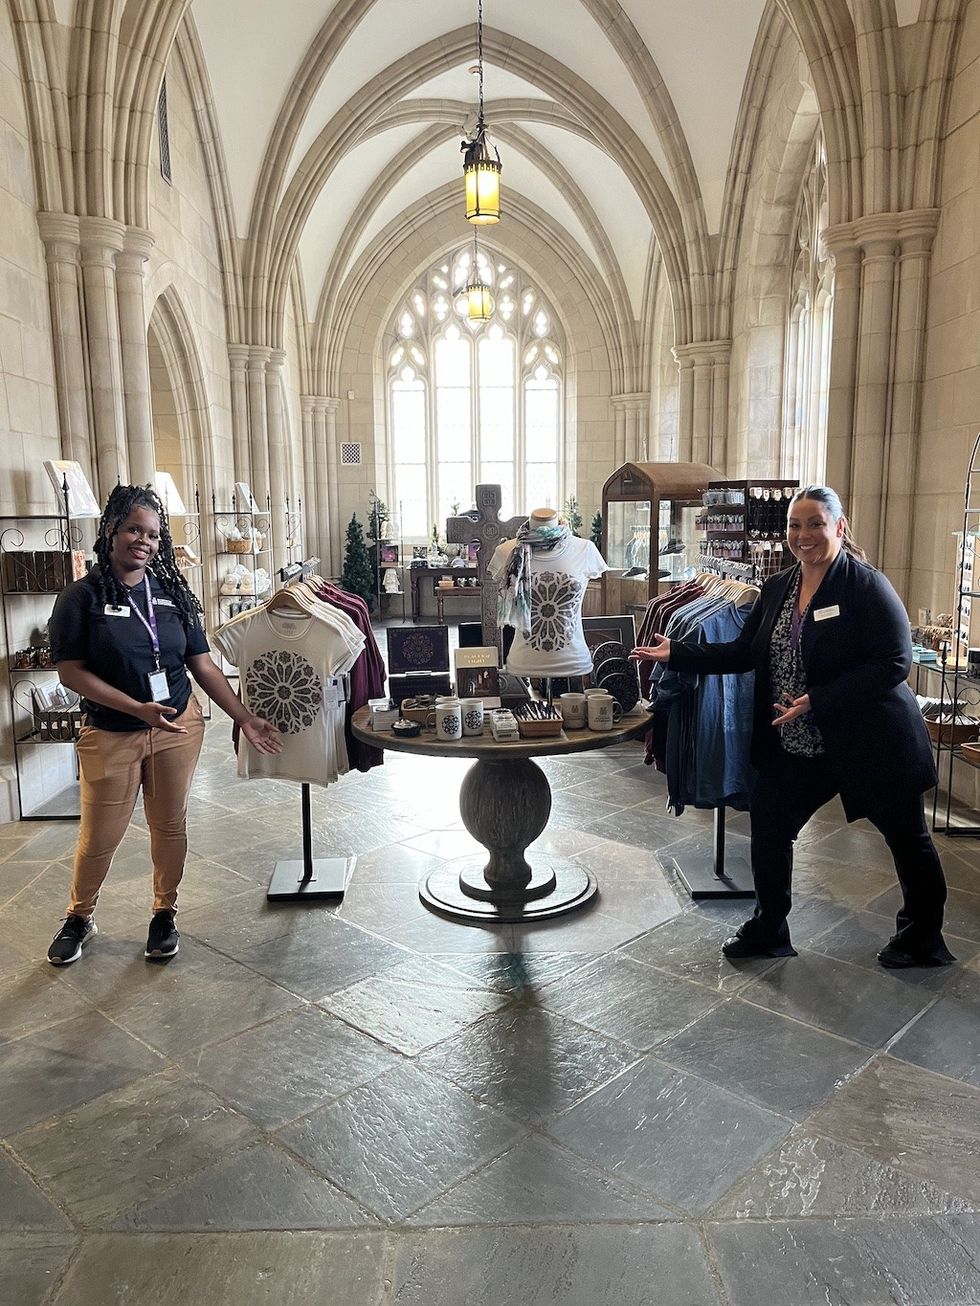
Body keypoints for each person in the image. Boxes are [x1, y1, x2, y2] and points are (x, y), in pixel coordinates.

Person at [632, 485, 954, 969]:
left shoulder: (866, 586)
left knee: (908, 839)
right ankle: (769, 928)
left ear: (839, 528)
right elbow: (743, 652)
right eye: (794, 525)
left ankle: (922, 939)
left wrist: (817, 700)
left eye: (815, 524)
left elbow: (894, 663)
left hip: (871, 741)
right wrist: (677, 652)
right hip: (798, 742)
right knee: (770, 827)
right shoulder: (779, 587)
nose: (803, 536)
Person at [46, 484, 281, 966]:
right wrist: (136, 709)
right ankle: (79, 916)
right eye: (134, 529)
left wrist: (244, 717)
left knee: (169, 825)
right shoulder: (80, 597)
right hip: (112, 732)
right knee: (100, 834)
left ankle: (164, 913)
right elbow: (71, 671)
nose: (144, 541)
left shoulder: (173, 593)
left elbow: (203, 665)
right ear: (111, 529)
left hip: (177, 728)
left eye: (152, 534)